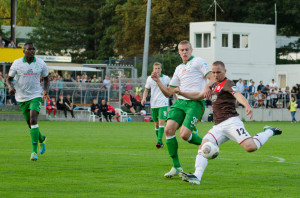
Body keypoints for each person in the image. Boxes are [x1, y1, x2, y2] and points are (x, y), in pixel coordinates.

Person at [176, 61, 282, 185]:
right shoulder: (213, 85)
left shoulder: (228, 83)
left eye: (218, 72)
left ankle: (269, 131)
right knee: (203, 146)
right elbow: (199, 96)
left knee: (251, 147)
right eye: (213, 72)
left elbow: (237, 94)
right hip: (218, 126)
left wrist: (247, 105)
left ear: (225, 71)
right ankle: (196, 177)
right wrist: (182, 93)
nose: (215, 75)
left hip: (231, 123)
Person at [151, 40, 214, 177]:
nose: (184, 52)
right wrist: (158, 81)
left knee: (185, 135)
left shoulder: (198, 61)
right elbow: (169, 92)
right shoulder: (178, 68)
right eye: (182, 50)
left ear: (191, 50)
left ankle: (209, 144)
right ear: (179, 52)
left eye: (186, 49)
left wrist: (207, 86)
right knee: (168, 130)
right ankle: (176, 167)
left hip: (195, 102)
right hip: (180, 103)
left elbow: (212, 78)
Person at [6, 42, 48, 161]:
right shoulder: (17, 63)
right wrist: (10, 87)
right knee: (31, 125)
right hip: (21, 97)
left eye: (34, 49)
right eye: (29, 49)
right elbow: (8, 79)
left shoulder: (40, 63)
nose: (32, 51)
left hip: (36, 95)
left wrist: (45, 90)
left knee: (33, 120)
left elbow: (46, 78)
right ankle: (41, 138)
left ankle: (34, 152)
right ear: (24, 51)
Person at [141, 62, 170, 148]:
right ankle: (160, 142)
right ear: (153, 69)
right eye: (155, 69)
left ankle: (159, 141)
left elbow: (170, 89)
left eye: (158, 68)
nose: (157, 70)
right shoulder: (150, 78)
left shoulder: (166, 78)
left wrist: (176, 98)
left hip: (163, 103)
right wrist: (144, 98)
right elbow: (146, 90)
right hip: (153, 104)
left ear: (161, 69)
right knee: (156, 124)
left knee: (161, 122)